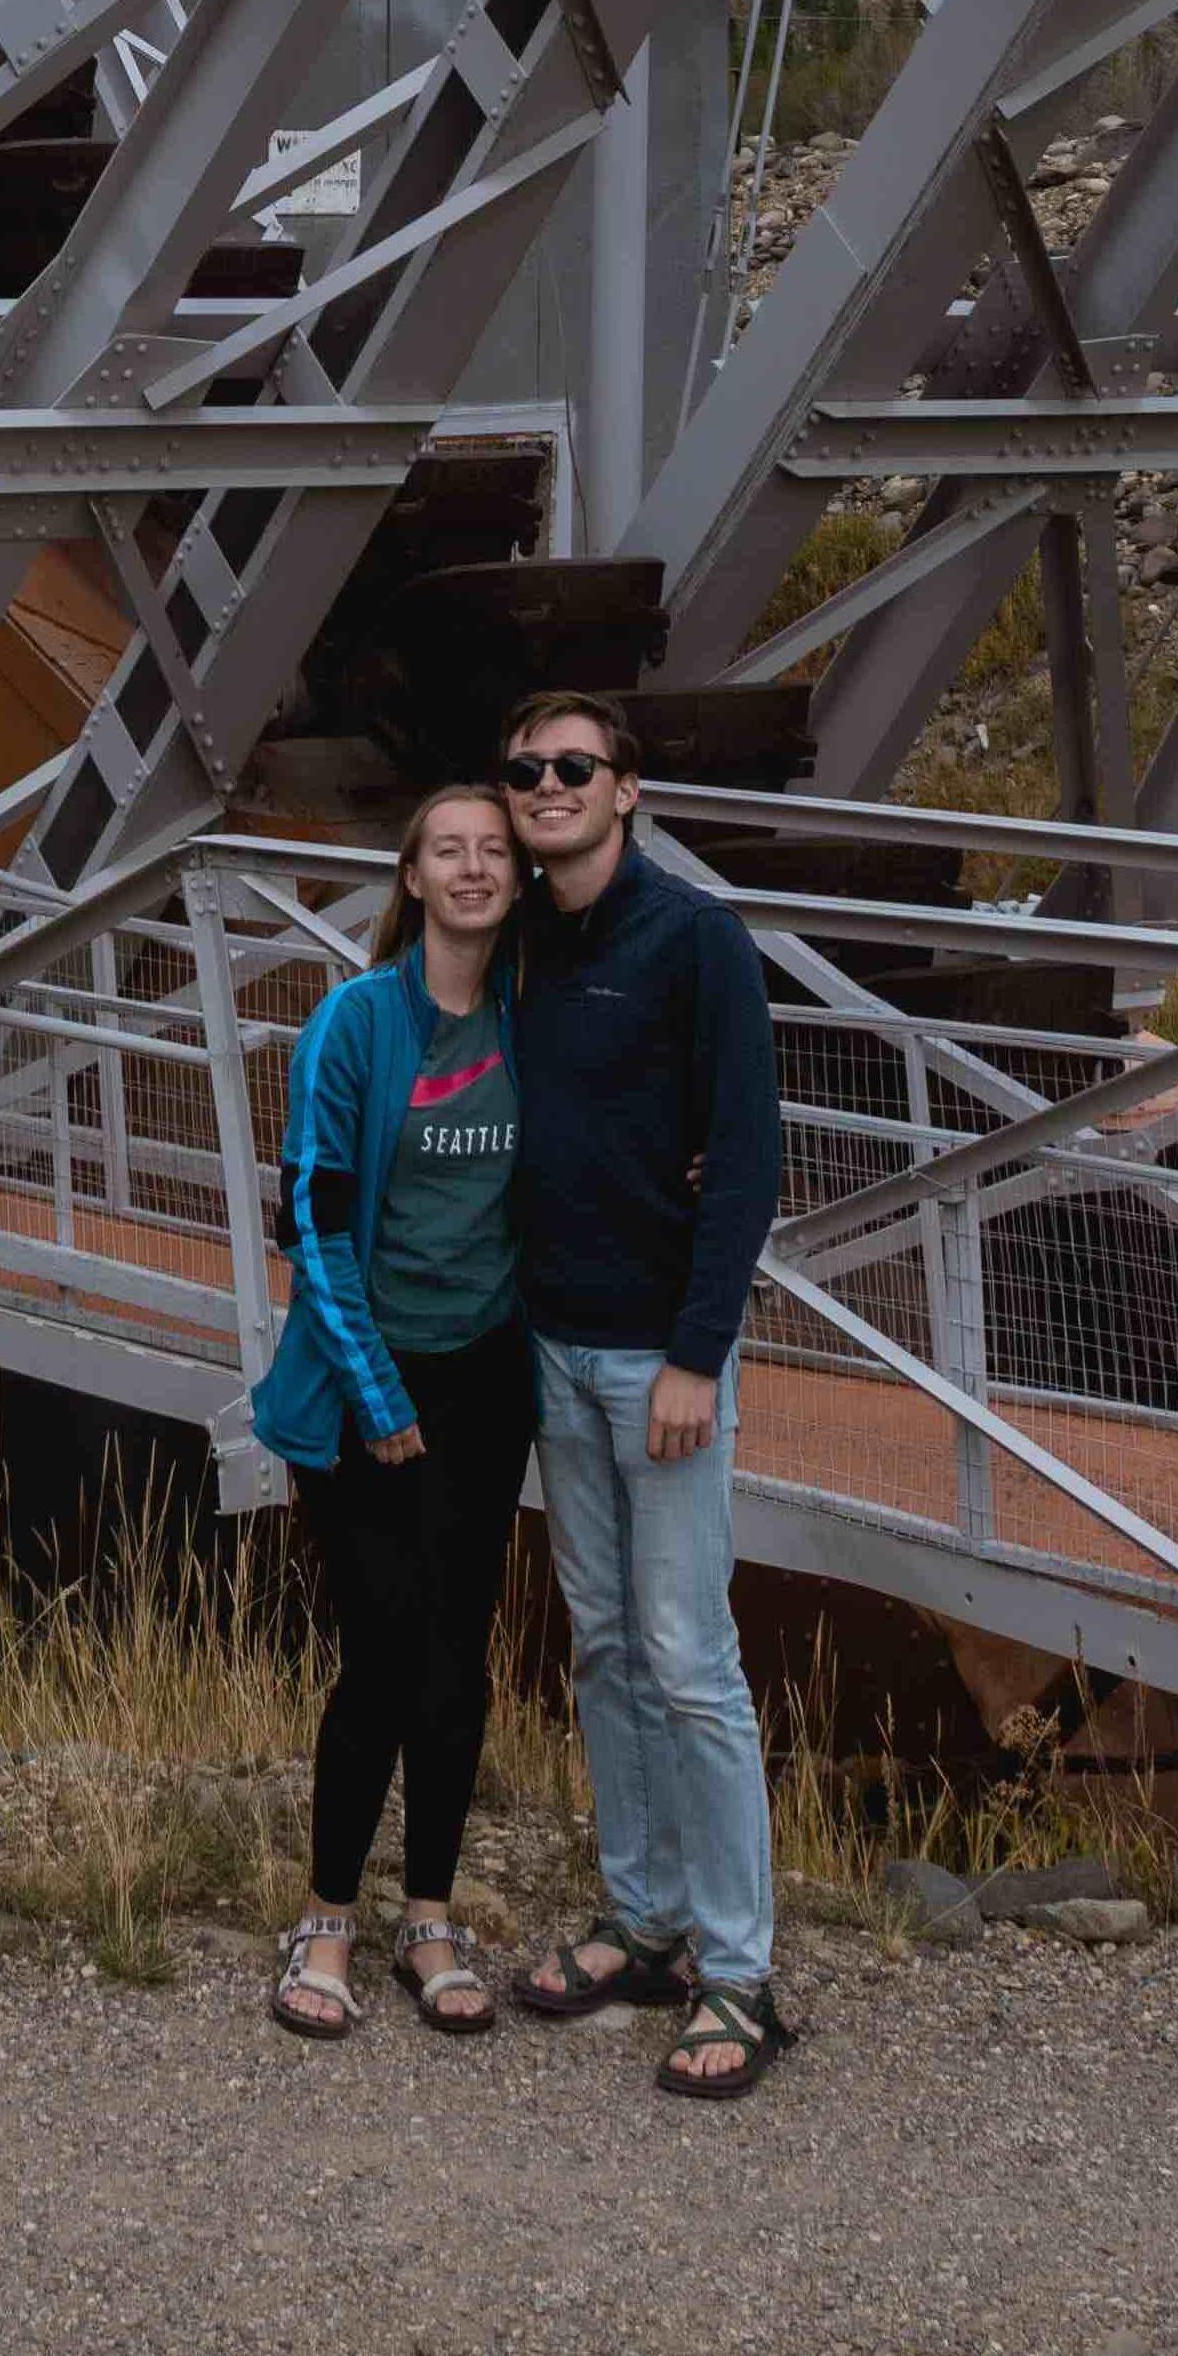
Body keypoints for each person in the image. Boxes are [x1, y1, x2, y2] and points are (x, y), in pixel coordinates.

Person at [492, 685, 792, 2098]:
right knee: (604, 1644)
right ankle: (644, 1917)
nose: (545, 783)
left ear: (626, 787)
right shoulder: (517, 947)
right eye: (524, 769)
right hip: (552, 1345)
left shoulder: (696, 939)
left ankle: (737, 1970)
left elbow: (742, 1159)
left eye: (571, 765)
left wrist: (697, 1348)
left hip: (656, 1359)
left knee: (689, 1657)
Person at [241, 778, 534, 2039]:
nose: (472, 868)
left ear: (516, 879)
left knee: (457, 1660)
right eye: (447, 850)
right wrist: (376, 1391)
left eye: (493, 852)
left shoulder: (533, 1019)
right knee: (383, 1646)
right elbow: (310, 1208)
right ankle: (324, 1917)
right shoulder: (355, 1022)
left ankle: (428, 1915)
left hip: (487, 1373)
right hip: (371, 1379)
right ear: (412, 878)